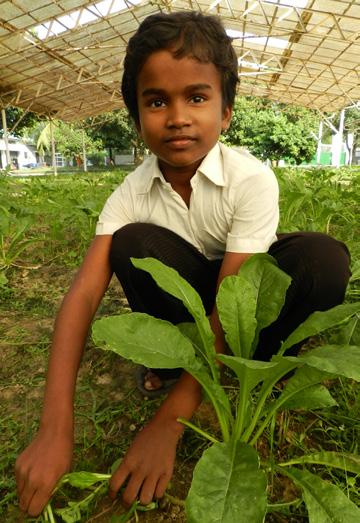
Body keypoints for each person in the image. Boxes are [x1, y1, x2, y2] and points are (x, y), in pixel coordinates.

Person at [15, 11, 351, 517]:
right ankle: (175, 361)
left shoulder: (251, 178)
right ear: (136, 117)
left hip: (243, 303)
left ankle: (265, 365)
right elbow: (83, 294)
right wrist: (54, 428)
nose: (177, 116)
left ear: (227, 112)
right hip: (194, 307)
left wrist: (170, 421)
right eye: (156, 101)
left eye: (197, 97)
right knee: (130, 242)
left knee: (322, 257)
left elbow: (238, 297)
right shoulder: (130, 194)